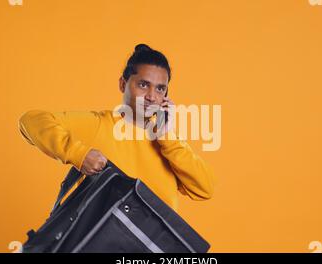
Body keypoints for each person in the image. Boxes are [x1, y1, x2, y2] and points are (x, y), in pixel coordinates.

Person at [18, 44, 216, 211]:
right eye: (143, 85)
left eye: (160, 88)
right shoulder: (100, 125)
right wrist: (78, 154)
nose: (152, 96)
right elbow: (31, 120)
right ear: (123, 84)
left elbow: (204, 189)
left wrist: (167, 135)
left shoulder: (169, 144)